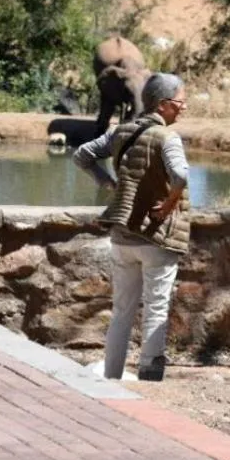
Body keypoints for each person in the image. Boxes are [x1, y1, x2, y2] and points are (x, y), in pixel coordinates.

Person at [73, 72, 190, 382]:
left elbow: (82, 155)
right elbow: (180, 176)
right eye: (180, 102)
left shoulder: (120, 132)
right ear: (164, 105)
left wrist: (106, 182)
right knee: (156, 308)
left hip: (122, 237)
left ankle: (112, 377)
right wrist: (167, 206)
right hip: (155, 239)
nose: (184, 108)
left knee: (121, 312)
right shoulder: (167, 138)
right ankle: (150, 379)